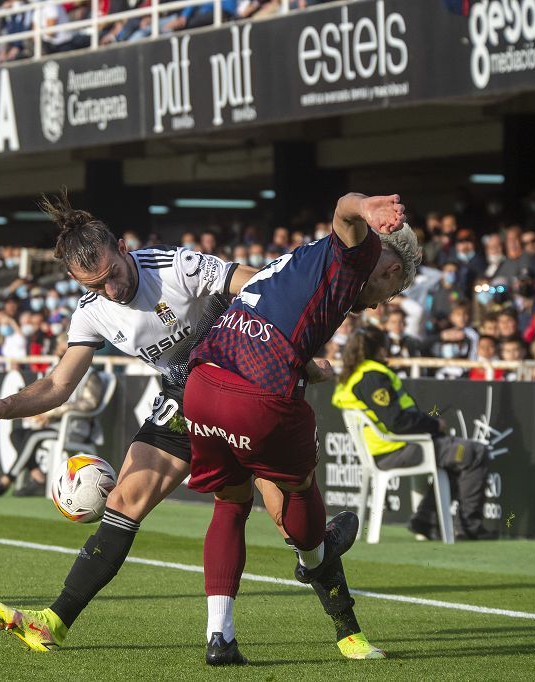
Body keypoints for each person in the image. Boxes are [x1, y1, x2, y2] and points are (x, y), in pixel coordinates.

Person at [0, 192, 338, 665]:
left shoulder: (177, 266)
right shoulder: (92, 312)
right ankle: (53, 622)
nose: (111, 288)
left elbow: (255, 285)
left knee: (289, 524)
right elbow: (59, 384)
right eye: (95, 283)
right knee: (124, 500)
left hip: (245, 382)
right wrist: (0, 406)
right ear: (75, 280)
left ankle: (340, 608)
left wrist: (292, 344)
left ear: (125, 248)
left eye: (114, 273)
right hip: (183, 398)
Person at [182, 192, 412, 664]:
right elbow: (346, 205)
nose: (374, 307)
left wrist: (305, 366)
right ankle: (318, 566)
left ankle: (219, 638)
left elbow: (267, 323)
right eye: (387, 296)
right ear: (390, 270)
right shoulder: (359, 255)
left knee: (230, 504)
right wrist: (366, 208)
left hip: (203, 384)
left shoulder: (302, 259)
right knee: (301, 494)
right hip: (259, 399)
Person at [333, 326, 496, 540]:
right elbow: (397, 422)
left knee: (459, 456)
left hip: (393, 448)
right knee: (474, 452)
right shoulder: (371, 376)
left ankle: (426, 520)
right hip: (397, 449)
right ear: (381, 348)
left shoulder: (353, 375)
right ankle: (468, 526)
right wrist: (434, 425)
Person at [0, 333, 106, 497]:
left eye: (62, 351)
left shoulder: (91, 374)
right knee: (17, 434)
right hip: (54, 424)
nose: (59, 355)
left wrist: (53, 412)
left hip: (75, 426)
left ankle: (6, 481)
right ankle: (38, 478)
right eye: (59, 352)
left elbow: (89, 404)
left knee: (32, 437)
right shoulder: (56, 372)